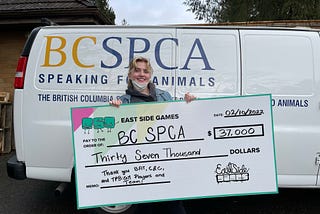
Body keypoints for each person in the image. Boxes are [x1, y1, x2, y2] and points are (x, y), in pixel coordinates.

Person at [109, 56, 196, 214]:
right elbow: (112, 135)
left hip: (166, 164)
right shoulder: (123, 102)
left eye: (145, 71)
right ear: (129, 75)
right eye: (137, 70)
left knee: (174, 208)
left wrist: (187, 104)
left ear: (150, 75)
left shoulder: (164, 96)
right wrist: (112, 112)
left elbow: (178, 123)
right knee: (145, 209)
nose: (141, 74)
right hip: (140, 168)